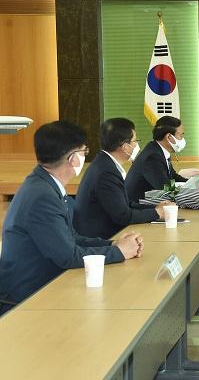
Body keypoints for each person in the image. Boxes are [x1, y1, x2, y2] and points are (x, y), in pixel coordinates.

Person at [0, 121, 143, 316]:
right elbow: (68, 256)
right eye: (84, 152)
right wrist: (119, 252)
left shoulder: (45, 184)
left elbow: (71, 237)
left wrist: (112, 245)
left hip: (43, 286)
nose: (85, 157)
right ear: (73, 158)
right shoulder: (42, 196)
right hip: (26, 299)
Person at [74, 118, 171, 239]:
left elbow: (125, 204)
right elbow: (123, 216)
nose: (137, 145)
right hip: (101, 240)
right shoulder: (106, 172)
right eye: (135, 141)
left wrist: (155, 208)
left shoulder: (104, 163)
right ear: (125, 147)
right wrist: (157, 213)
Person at [125, 116, 188, 202]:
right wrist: (191, 191)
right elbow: (166, 188)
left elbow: (172, 175)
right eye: (181, 135)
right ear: (169, 137)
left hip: (149, 199)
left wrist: (190, 183)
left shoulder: (158, 149)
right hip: (137, 206)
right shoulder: (152, 157)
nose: (182, 139)